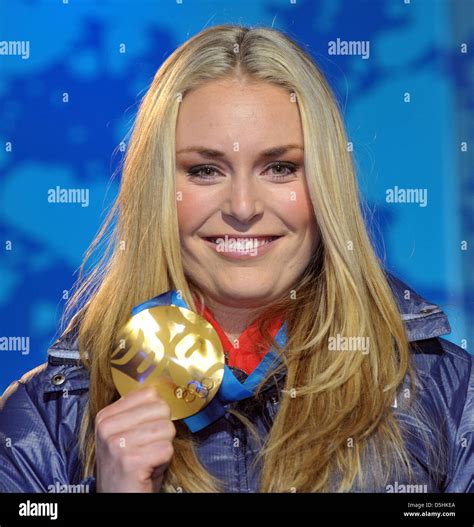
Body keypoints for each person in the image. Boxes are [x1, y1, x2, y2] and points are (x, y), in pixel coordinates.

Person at [0, 24, 472, 493]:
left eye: (280, 167)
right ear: (158, 190)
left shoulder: (448, 394)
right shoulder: (47, 416)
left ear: (326, 184)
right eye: (205, 170)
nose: (243, 207)